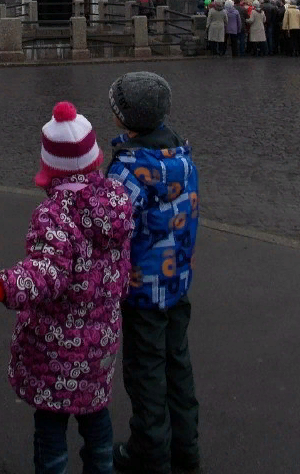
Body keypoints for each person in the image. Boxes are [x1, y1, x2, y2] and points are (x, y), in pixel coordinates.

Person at [0, 101, 134, 474]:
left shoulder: (54, 214)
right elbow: (121, 266)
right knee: (97, 418)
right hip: (101, 341)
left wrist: (0, 285)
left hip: (56, 348)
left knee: (51, 429)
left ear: (49, 165)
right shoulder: (117, 202)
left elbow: (46, 274)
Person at [106, 72, 200, 474]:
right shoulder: (182, 157)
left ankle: (149, 453)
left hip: (142, 291)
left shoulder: (127, 171)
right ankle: (186, 448)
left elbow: (111, 229)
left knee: (145, 375)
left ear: (122, 118)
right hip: (177, 282)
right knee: (177, 365)